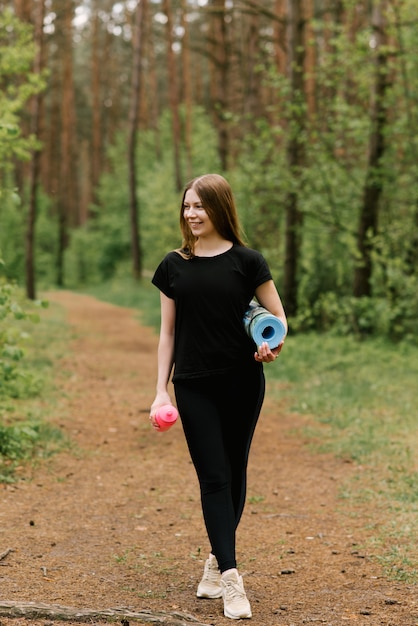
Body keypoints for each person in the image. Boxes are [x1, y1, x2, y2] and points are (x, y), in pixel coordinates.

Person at [150, 173, 287, 620]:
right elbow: (167, 333)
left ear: (220, 208)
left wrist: (271, 347)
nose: (191, 214)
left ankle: (214, 559)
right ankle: (231, 579)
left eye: (199, 206)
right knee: (213, 477)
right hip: (192, 383)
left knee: (235, 470)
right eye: (186, 206)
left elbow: (278, 320)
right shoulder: (174, 265)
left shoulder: (249, 262)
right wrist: (159, 390)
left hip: (243, 381)